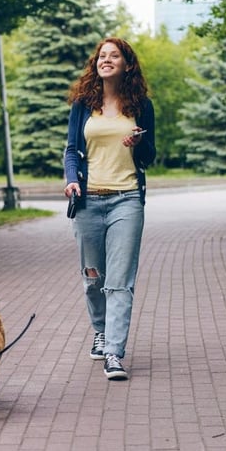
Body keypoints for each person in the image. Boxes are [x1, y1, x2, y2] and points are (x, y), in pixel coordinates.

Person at [63, 37, 156, 381]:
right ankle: (100, 331)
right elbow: (72, 150)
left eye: (114, 55)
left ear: (126, 63)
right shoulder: (83, 104)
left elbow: (149, 158)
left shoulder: (141, 105)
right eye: (102, 55)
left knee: (120, 281)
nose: (106, 60)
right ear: (96, 64)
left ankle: (114, 353)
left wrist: (140, 142)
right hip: (88, 201)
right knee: (93, 278)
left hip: (127, 200)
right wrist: (72, 179)